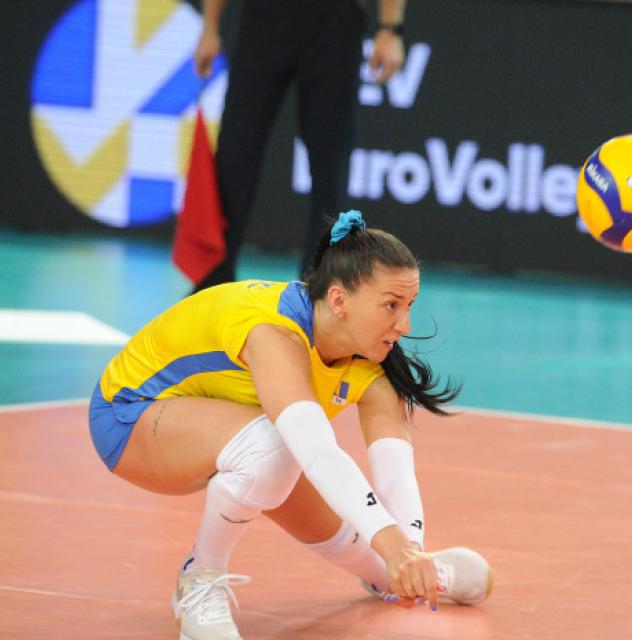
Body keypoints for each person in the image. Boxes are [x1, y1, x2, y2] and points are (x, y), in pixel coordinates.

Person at [89, 211, 493, 640]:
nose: (404, 325)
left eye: (409, 305)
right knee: (276, 448)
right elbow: (317, 452)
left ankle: (385, 578)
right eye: (391, 305)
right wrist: (392, 544)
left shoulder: (373, 364)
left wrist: (409, 554)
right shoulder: (273, 332)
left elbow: (396, 474)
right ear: (339, 301)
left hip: (234, 427)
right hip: (132, 417)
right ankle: (199, 578)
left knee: (414, 561)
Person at [191, 0, 407, 292]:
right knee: (234, 155)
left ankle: (320, 288)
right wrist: (210, 27)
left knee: (330, 166)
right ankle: (212, 282)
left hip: (335, 22)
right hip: (262, 19)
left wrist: (390, 28)